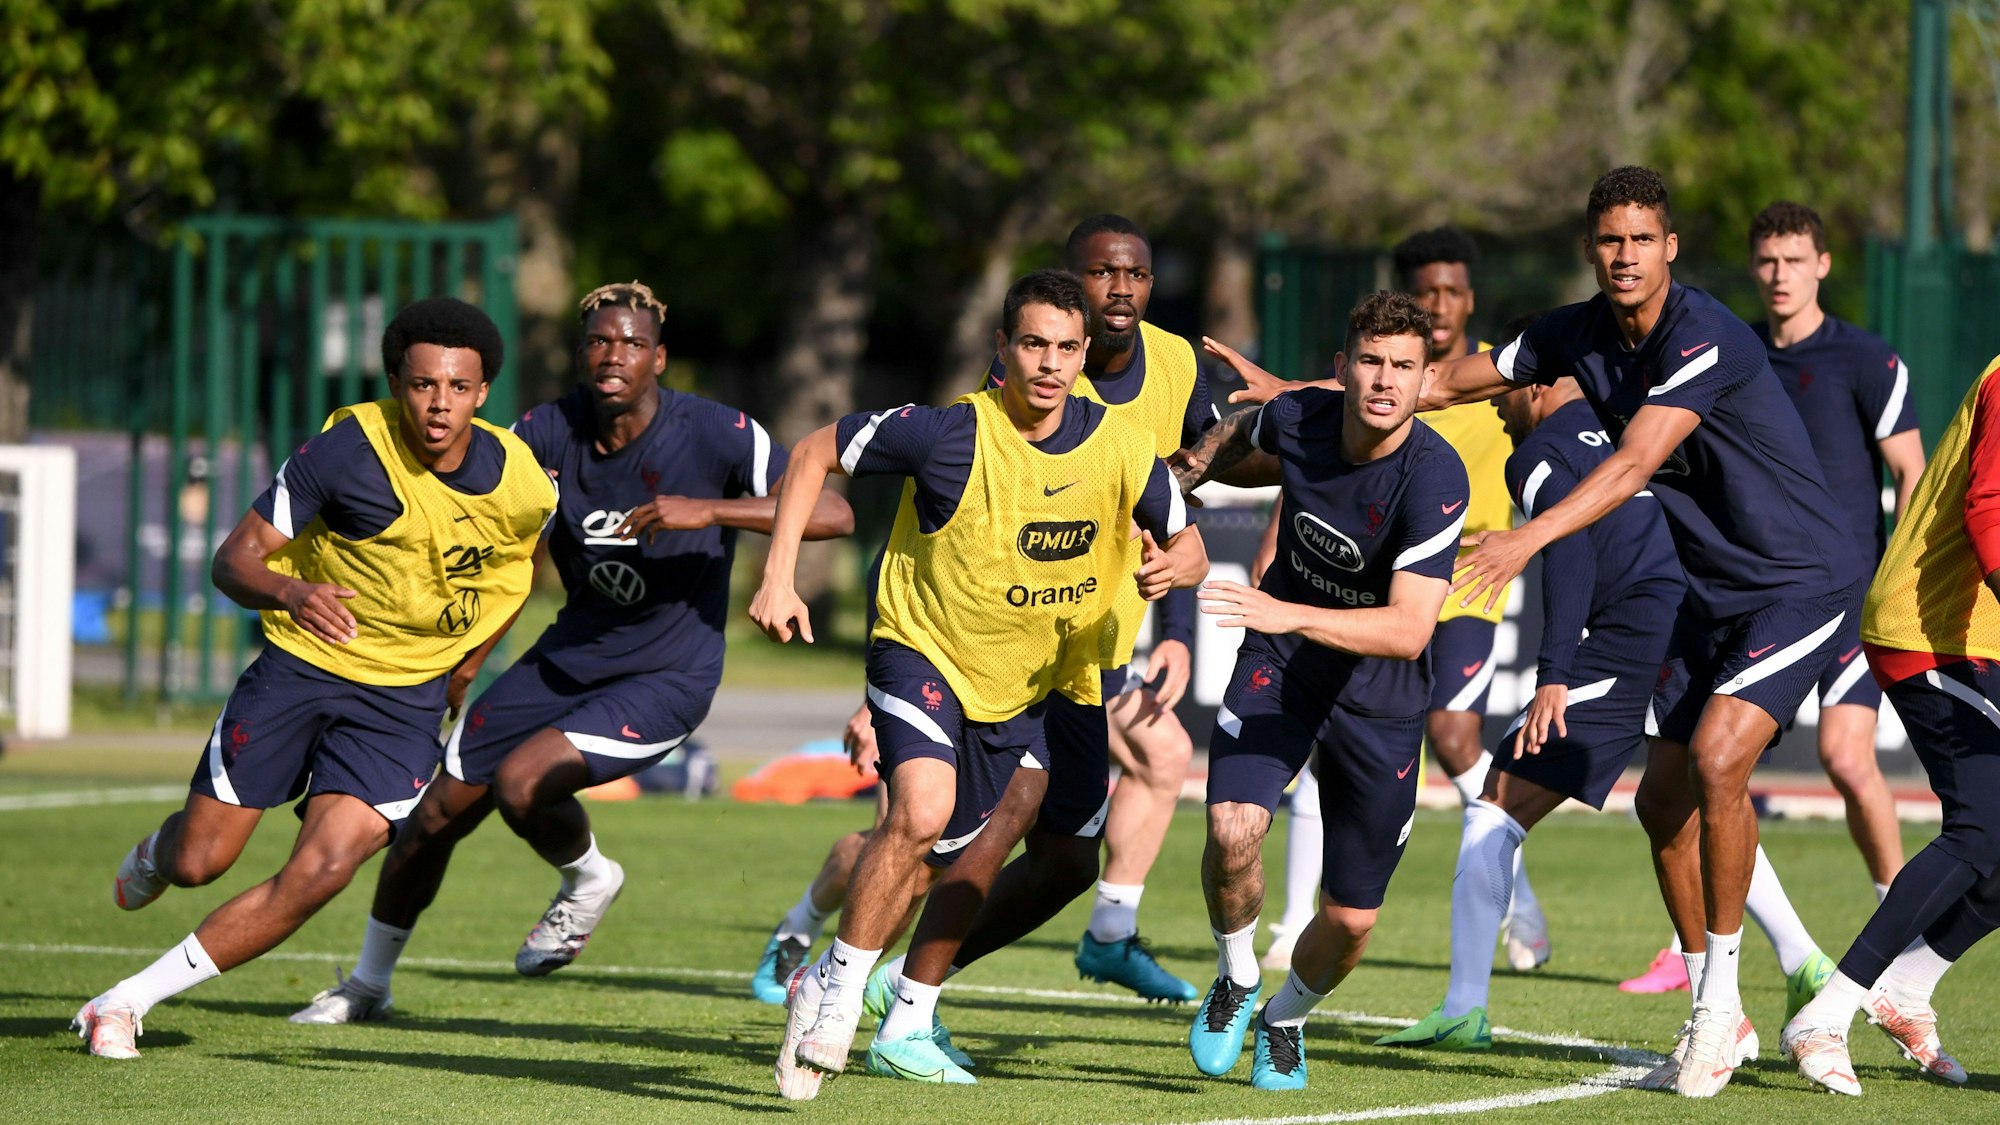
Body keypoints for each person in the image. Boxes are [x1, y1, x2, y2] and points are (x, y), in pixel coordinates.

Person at [1412, 167, 1867, 1098]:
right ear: (1593, 247)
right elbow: (1443, 379)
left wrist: (1527, 537)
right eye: (1609, 239)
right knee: (1662, 808)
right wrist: (1318, 392)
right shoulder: (1571, 333)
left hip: (1799, 579)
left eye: (1641, 239)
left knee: (1718, 755)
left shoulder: (1703, 336)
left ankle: (1716, 1013)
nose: (1625, 256)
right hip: (1711, 592)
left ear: (1669, 248)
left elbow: (1631, 464)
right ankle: (1736, 1011)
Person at [284, 281, 851, 1024]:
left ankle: (588, 879)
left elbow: (834, 510)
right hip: (568, 654)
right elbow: (504, 557)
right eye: (600, 341)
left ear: (660, 357)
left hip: (666, 673)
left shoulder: (716, 432)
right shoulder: (543, 433)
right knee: (434, 815)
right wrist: (464, 663)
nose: (615, 355)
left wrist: (709, 509)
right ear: (583, 351)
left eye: (633, 344)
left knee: (523, 783)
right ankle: (367, 985)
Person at [752, 269, 1205, 1097]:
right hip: (920, 650)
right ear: (1002, 348)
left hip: (1034, 684)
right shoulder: (947, 432)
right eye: (1034, 344)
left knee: (942, 859)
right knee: (920, 813)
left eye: (1067, 348)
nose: (1051, 364)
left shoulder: (1121, 445)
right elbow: (816, 451)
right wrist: (779, 576)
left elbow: (1191, 542)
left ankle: (830, 979)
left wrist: (1175, 567)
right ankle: (848, 999)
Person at [74, 298, 559, 1058]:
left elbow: (514, 575)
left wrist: (465, 664)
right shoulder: (346, 452)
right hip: (301, 670)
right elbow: (233, 559)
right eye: (423, 384)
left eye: (458, 388)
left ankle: (125, 1001)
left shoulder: (521, 480)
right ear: (396, 380)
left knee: (325, 867)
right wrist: (294, 591)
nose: (439, 405)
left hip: (401, 703)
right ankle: (155, 854)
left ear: (484, 391)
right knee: (201, 860)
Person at [1622, 201, 1925, 998]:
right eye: (1766, 261)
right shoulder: (1729, 353)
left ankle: (1897, 933)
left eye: (1795, 259)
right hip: (1748, 600)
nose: (1779, 274)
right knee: (1706, 770)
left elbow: (1913, 477)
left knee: (1844, 757)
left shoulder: (1866, 359)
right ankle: (1702, 948)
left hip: (1849, 600)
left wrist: (1897, 584)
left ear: (1822, 264)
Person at [1174, 291, 1467, 1091]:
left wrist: (1278, 605)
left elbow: (1408, 628)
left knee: (1350, 919)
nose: (1384, 380)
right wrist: (1183, 477)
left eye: (1403, 366)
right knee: (1234, 829)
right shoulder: (1303, 415)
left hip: (1382, 693)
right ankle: (1236, 975)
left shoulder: (1435, 474)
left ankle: (1286, 1015)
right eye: (1370, 361)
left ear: (1423, 378)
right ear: (1343, 368)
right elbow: (1245, 428)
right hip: (1283, 663)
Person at [1374, 314, 1683, 1051]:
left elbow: (1568, 550)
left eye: (1504, 389)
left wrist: (1554, 676)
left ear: (1538, 386)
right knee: (1695, 804)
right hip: (1685, 617)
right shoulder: (1623, 432)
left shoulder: (1538, 454)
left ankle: (1464, 1007)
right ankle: (1801, 966)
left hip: (1631, 628)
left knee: (1496, 806)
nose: (1494, 402)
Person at [1262, 228, 1549, 974]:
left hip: (1465, 585)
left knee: (1454, 731)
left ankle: (1516, 895)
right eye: (1427, 293)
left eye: (1453, 291)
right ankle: (1293, 921)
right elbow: (1318, 459)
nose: (1441, 303)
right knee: (1322, 742)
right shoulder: (1382, 374)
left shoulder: (1490, 381)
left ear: (1471, 300)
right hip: (1368, 583)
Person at [1779, 353, 2000, 1096]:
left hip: (1979, 636)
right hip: (1927, 628)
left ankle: (1906, 986)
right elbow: (1988, 511)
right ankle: (1826, 1012)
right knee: (1982, 828)